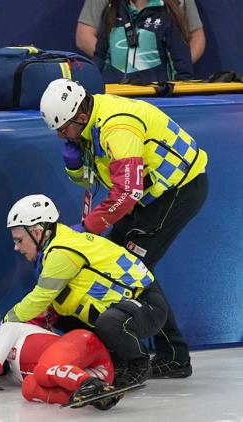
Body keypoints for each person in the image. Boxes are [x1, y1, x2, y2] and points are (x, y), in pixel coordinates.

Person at [40, 78, 208, 378]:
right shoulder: (88, 123)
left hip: (177, 190)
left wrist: (89, 227)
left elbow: (127, 193)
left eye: (63, 129)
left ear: (80, 116)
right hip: (147, 196)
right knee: (113, 261)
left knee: (133, 269)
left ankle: (174, 356)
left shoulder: (117, 129)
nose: (61, 136)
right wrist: (75, 166)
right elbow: (93, 182)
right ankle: (118, 346)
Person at [2, 194, 171, 388]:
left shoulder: (62, 252)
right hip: (129, 307)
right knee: (64, 317)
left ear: (38, 233)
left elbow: (41, 296)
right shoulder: (57, 243)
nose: (16, 247)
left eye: (19, 240)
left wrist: (5, 323)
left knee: (109, 322)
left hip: (147, 307)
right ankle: (117, 359)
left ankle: (139, 363)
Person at [0, 299, 123, 410]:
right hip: (101, 375)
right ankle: (93, 395)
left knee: (41, 371)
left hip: (86, 346)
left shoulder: (5, 331)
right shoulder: (8, 377)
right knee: (29, 388)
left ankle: (89, 386)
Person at [78, 0, 194, 83]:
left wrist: (180, 99)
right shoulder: (112, 10)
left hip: (153, 98)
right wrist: (89, 82)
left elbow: (182, 67)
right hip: (115, 96)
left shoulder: (168, 14)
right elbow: (100, 57)